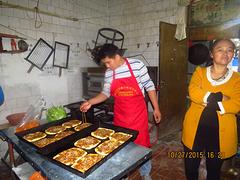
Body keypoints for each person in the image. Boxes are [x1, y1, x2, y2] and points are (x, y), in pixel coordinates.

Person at [80, 43, 161, 180]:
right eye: (105, 63)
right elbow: (105, 93)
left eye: (108, 62)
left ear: (117, 56)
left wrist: (156, 108)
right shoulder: (109, 73)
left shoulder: (137, 65)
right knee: (122, 147)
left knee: (142, 146)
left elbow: (149, 86)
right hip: (121, 116)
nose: (107, 66)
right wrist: (90, 102)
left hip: (138, 115)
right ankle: (124, 174)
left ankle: (145, 173)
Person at [182, 39, 240, 180]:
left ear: (233, 54)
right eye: (220, 49)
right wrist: (221, 96)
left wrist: (207, 100)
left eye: (229, 50)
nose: (225, 53)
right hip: (194, 131)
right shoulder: (200, 72)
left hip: (220, 135)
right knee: (190, 168)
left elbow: (237, 104)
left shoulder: (237, 79)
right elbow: (194, 92)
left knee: (214, 171)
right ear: (212, 54)